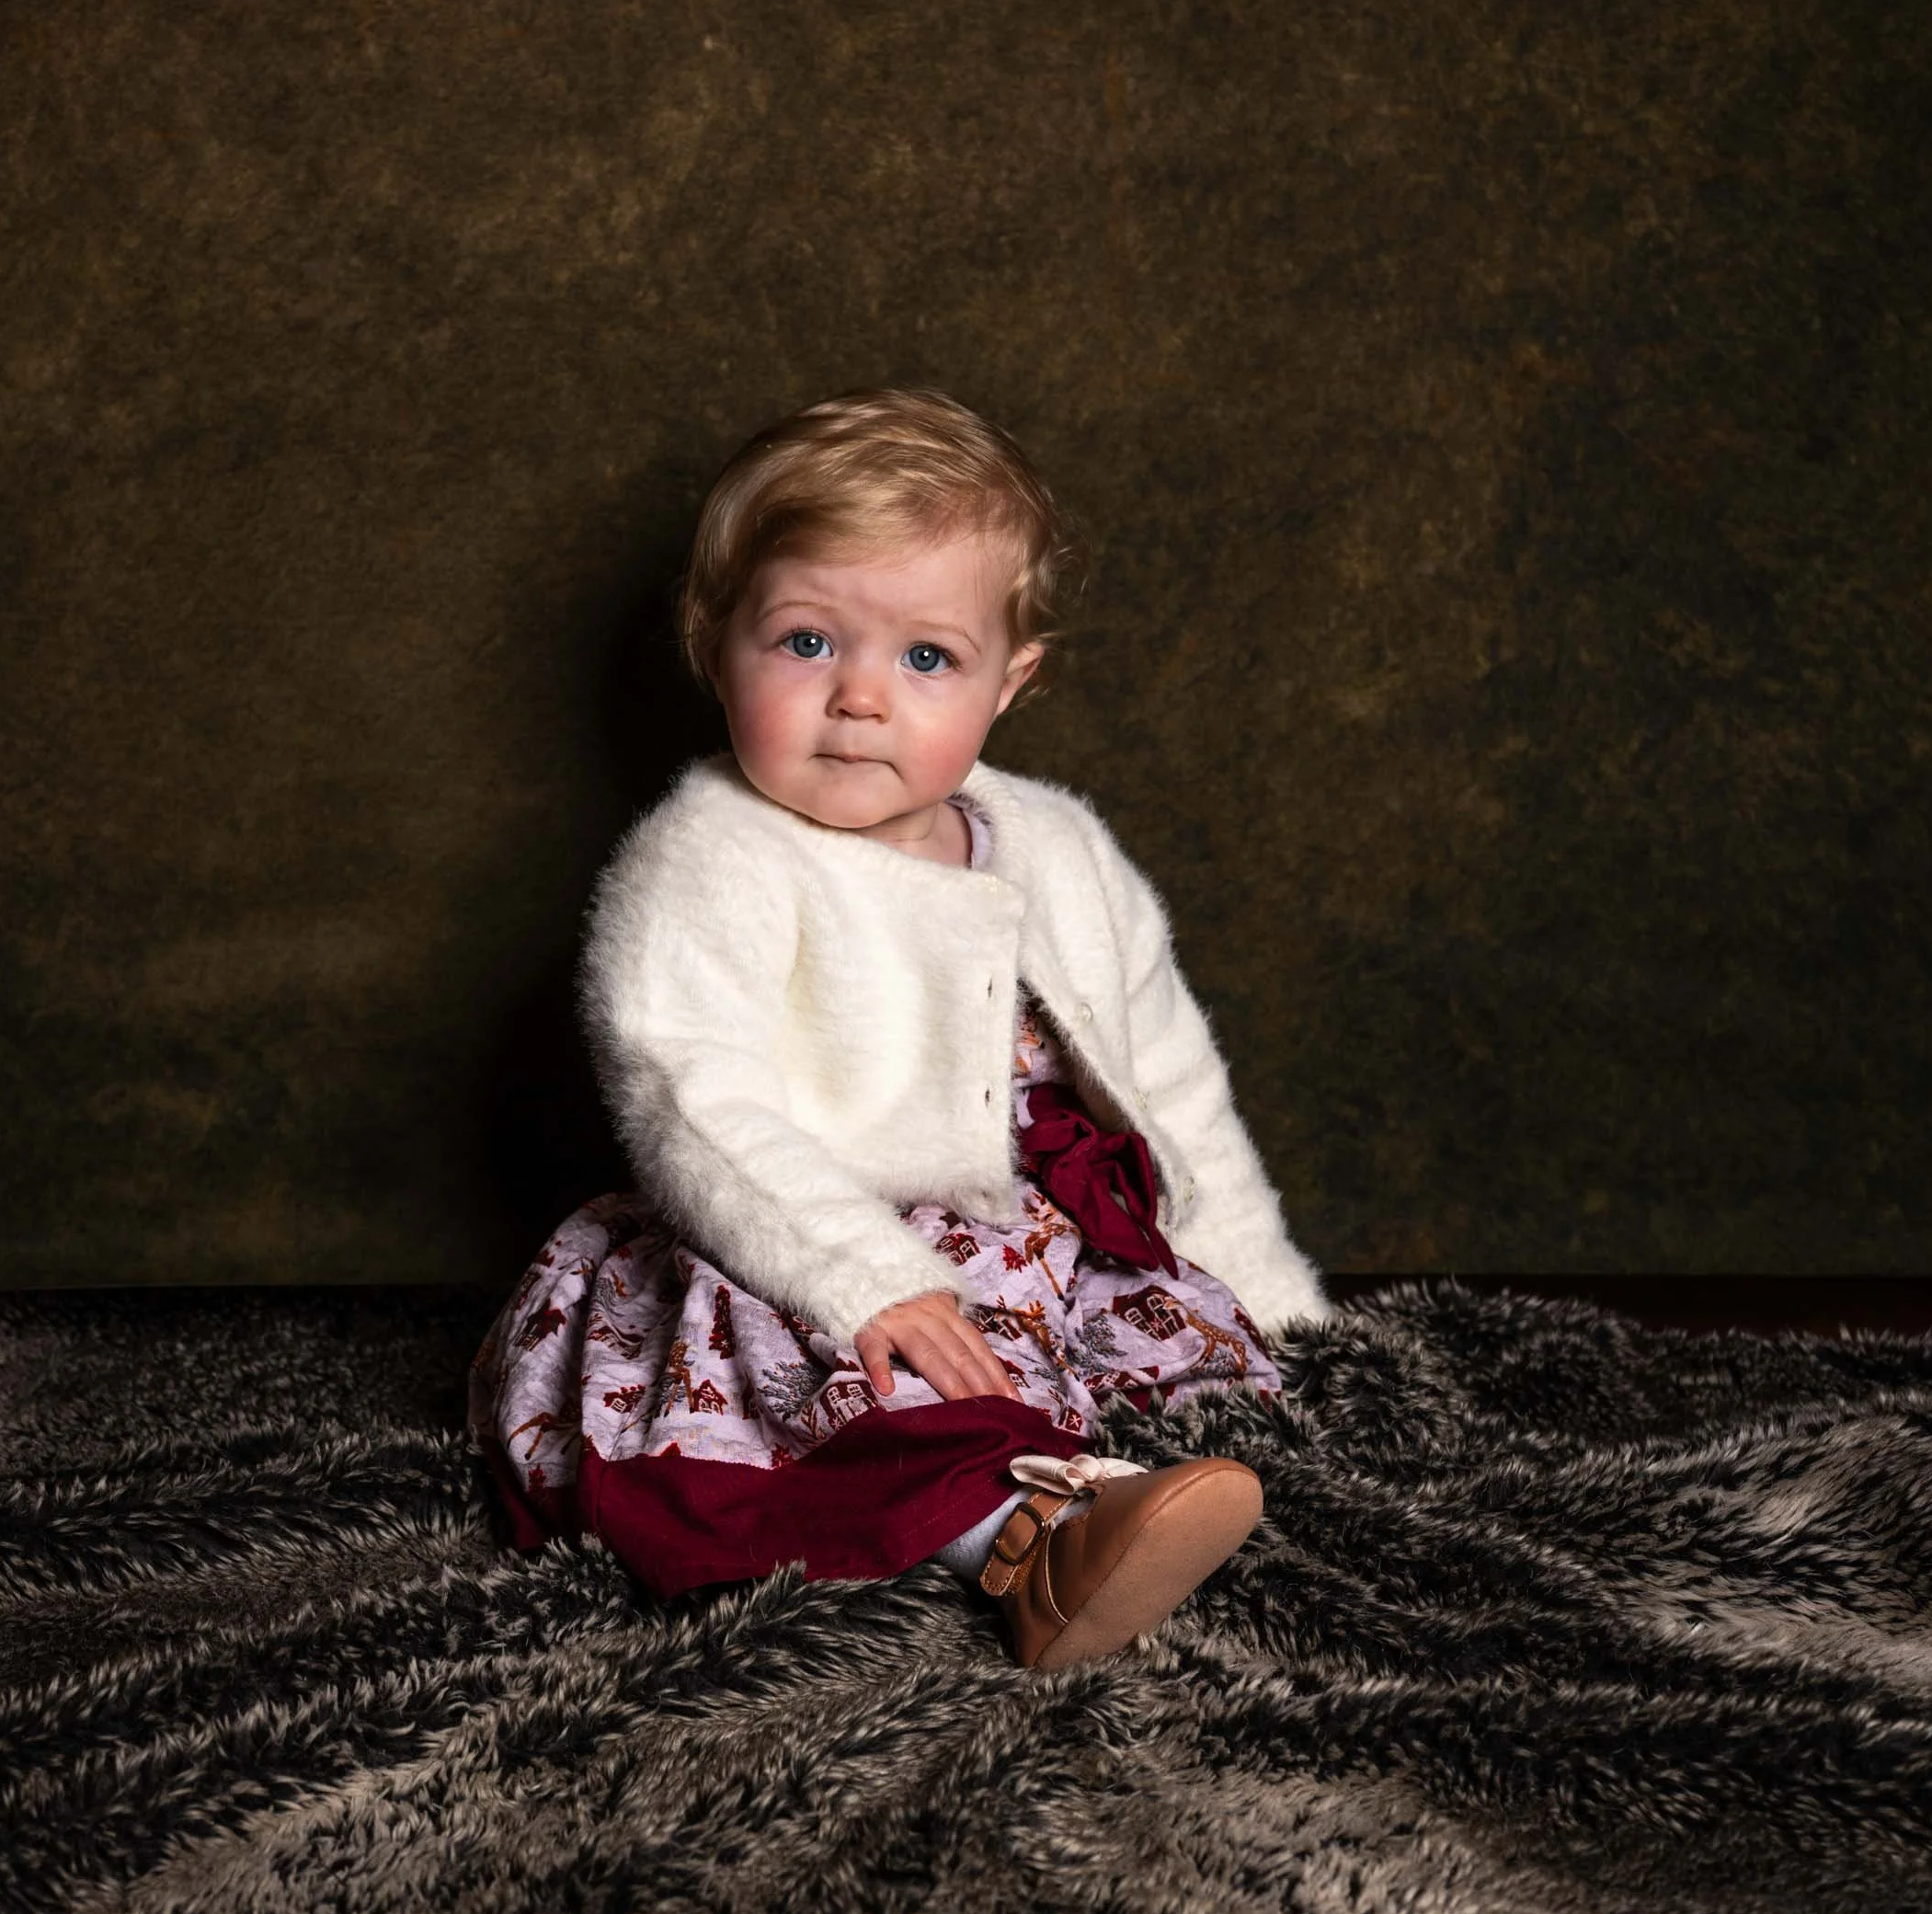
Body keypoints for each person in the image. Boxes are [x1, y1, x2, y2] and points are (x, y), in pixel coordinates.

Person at [470, 387, 1332, 1669]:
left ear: (1009, 682)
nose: (861, 699)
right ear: (714, 643)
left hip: (1025, 1236)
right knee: (857, 1378)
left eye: (926, 658)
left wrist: (1270, 1299)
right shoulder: (712, 856)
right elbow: (688, 1089)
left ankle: (1142, 1494)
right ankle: (1028, 1545)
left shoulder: (1062, 846)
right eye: (808, 643)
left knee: (1173, 1347)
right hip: (787, 1228)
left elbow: (1167, 1087)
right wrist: (869, 1277)